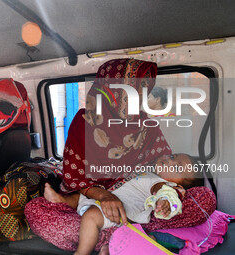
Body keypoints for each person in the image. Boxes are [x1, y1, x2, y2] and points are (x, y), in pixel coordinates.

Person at [24, 59, 216, 254]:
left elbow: (164, 174)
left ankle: (120, 233)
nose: (139, 98)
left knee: (204, 198)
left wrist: (166, 199)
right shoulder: (84, 123)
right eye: (132, 91)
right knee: (37, 211)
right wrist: (104, 196)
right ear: (110, 89)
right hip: (90, 202)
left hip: (139, 205)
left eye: (143, 91)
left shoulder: (146, 126)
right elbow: (76, 179)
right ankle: (128, 236)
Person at [43, 153, 200, 255]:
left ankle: (82, 252)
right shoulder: (145, 169)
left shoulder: (162, 183)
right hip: (105, 198)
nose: (169, 161)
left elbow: (163, 193)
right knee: (79, 196)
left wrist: (163, 201)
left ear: (180, 185)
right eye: (172, 157)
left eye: (177, 167)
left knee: (91, 217)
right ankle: (62, 201)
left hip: (121, 211)